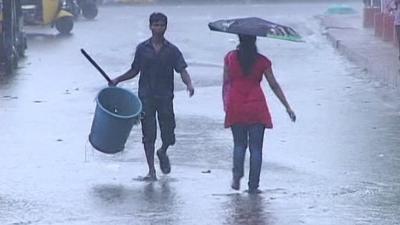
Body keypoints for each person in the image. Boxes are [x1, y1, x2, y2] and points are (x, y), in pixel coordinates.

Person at [109, 12, 194, 181]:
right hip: (146, 97)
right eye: (155, 24)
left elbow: (182, 70)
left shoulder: (172, 50)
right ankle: (151, 171)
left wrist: (189, 84)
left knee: (169, 133)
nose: (158, 28)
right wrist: (118, 79)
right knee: (148, 134)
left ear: (166, 27)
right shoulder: (142, 49)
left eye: (161, 25)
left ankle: (162, 151)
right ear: (150, 27)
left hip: (165, 97)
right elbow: (135, 70)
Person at [222, 34, 296, 194]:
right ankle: (253, 185)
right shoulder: (262, 61)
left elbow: (226, 83)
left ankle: (236, 176)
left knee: (239, 144)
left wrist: (225, 104)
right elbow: (274, 85)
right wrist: (287, 106)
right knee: (256, 149)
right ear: (255, 41)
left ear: (239, 39)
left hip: (236, 104)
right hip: (257, 105)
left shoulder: (230, 58)